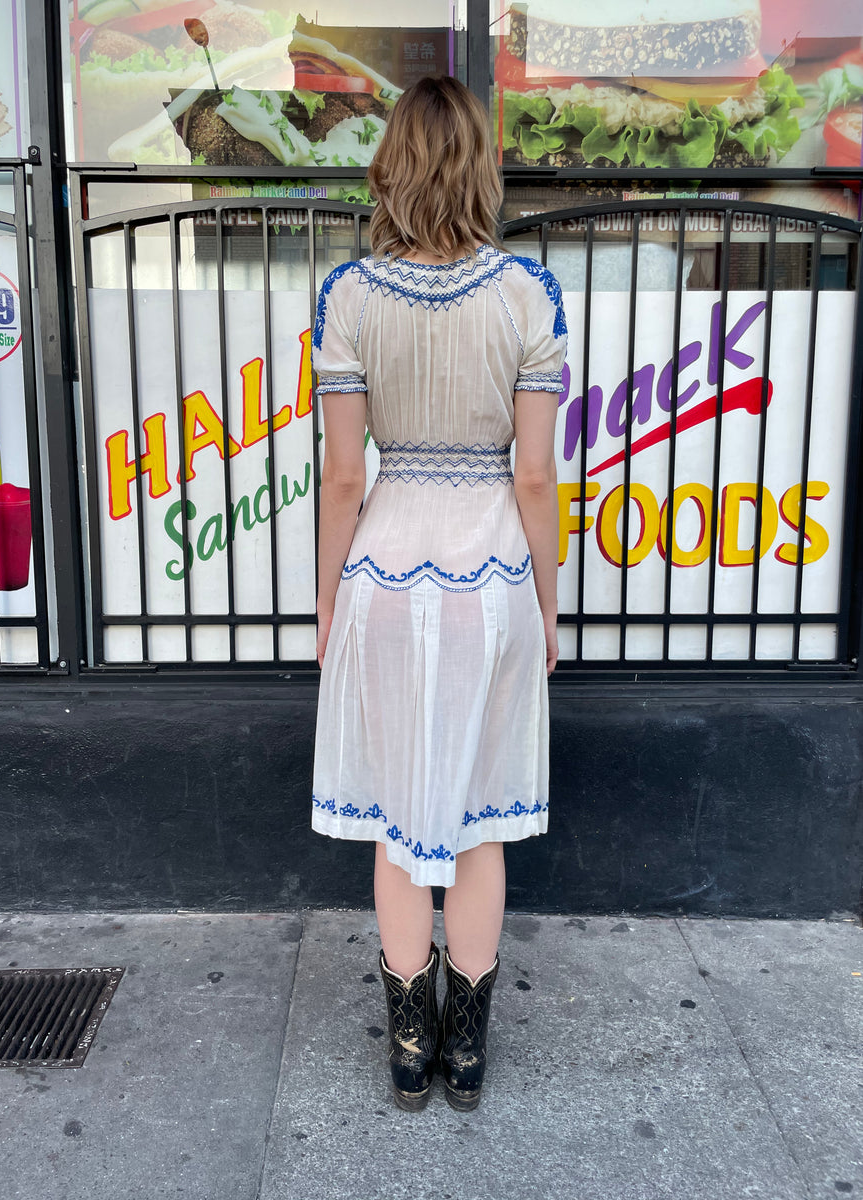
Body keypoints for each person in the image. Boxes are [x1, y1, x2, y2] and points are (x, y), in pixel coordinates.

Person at [310, 75, 567, 1112]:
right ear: (479, 169)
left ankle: (406, 1047)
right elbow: (538, 478)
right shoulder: (530, 296)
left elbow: (339, 479)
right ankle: (468, 1051)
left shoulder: (348, 297)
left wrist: (326, 602)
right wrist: (549, 608)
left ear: (393, 169)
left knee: (394, 816)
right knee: (479, 824)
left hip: (384, 571)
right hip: (493, 576)